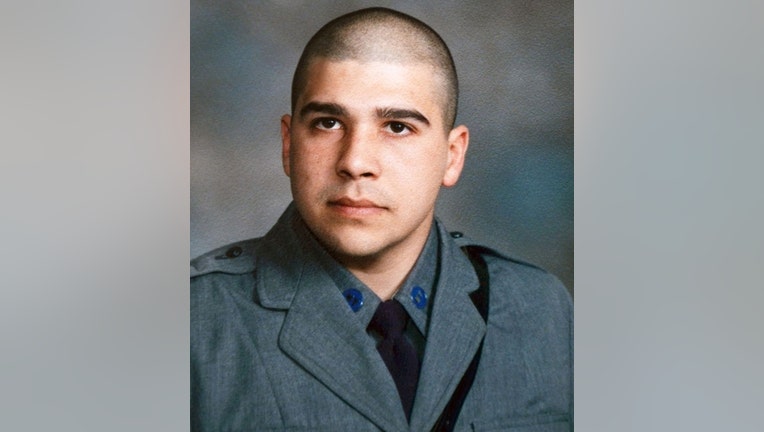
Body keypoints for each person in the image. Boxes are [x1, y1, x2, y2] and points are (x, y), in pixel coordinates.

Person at [191, 7, 572, 431]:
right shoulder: (194, 322)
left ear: (452, 155)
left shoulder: (537, 308)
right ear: (288, 144)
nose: (355, 162)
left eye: (396, 127)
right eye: (328, 123)